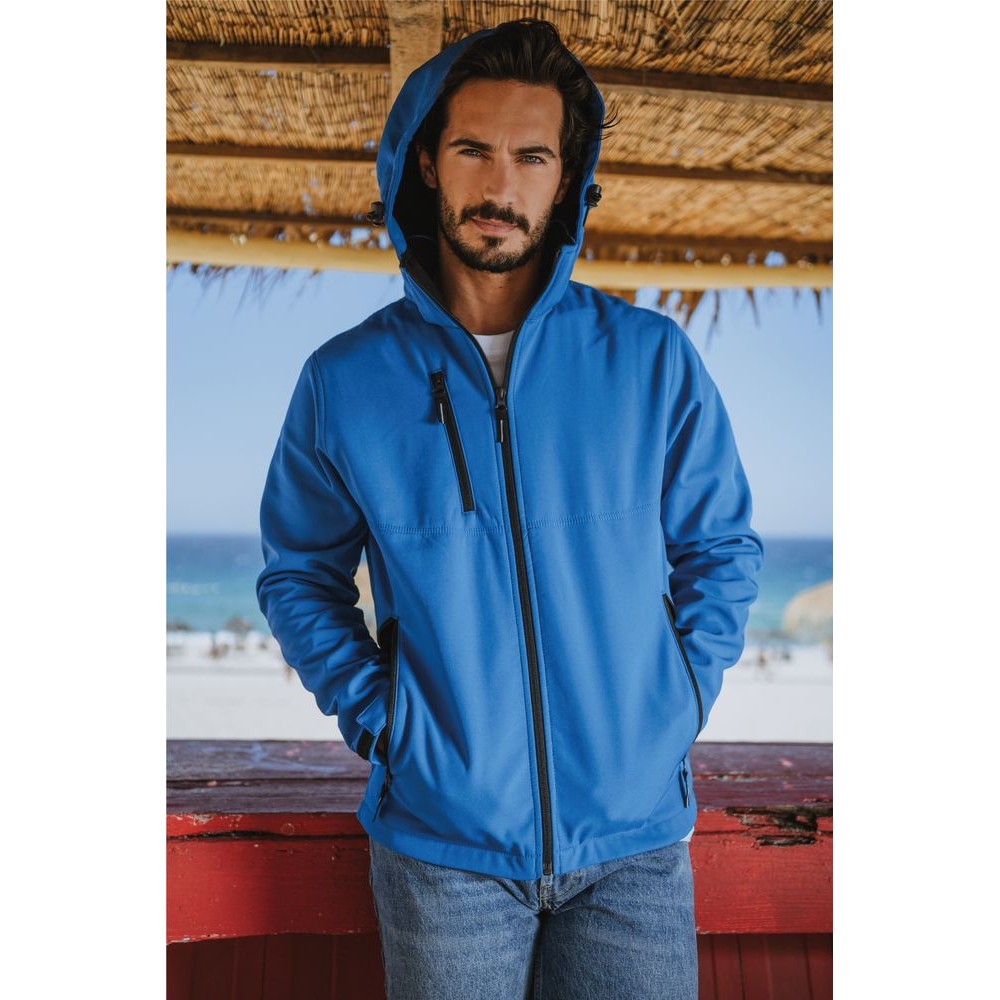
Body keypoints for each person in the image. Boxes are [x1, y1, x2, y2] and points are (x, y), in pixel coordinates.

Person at [256, 18, 763, 1000]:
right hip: (442, 849)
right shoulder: (344, 381)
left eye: (532, 156)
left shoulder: (651, 360)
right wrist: (385, 723)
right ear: (425, 165)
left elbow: (722, 548)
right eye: (473, 150)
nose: (501, 185)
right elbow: (298, 575)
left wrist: (676, 705)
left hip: (633, 846)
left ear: (565, 179)